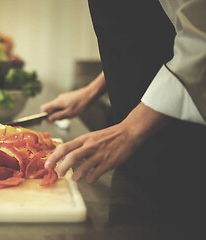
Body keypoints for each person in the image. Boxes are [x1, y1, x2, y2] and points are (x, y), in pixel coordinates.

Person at [42, 0, 206, 236]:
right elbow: (146, 40)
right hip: (138, 147)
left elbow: (199, 43)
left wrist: (130, 130)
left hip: (187, 154)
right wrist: (92, 90)